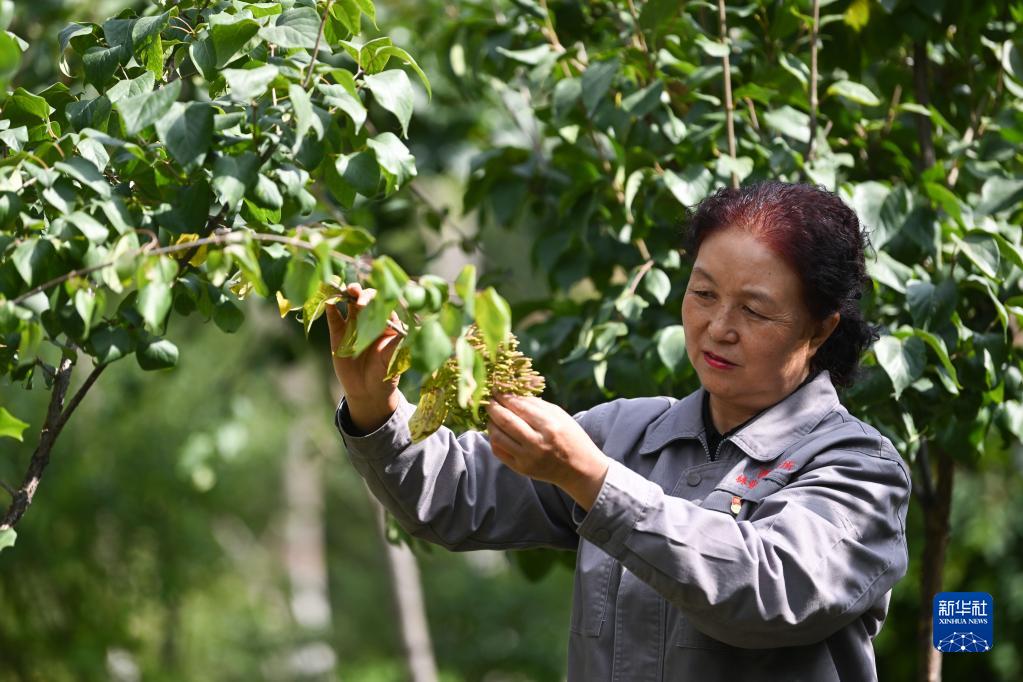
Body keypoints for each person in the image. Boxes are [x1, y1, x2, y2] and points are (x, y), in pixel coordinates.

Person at [325, 181, 911, 681]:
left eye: (754, 311)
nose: (718, 327)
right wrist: (375, 405)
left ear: (819, 329)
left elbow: (769, 590)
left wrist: (593, 480)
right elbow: (454, 496)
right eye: (703, 294)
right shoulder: (626, 433)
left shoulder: (860, 470)